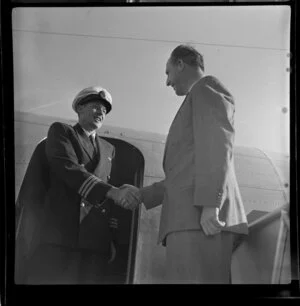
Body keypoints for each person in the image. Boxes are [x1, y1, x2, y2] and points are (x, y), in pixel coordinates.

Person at [122, 45, 249, 283]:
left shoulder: (206, 88)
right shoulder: (197, 96)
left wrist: (211, 204)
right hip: (190, 219)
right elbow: (183, 173)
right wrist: (141, 194)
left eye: (168, 72)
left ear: (181, 64)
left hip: (200, 219)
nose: (167, 82)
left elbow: (216, 145)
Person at [15, 86, 139, 284]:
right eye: (96, 107)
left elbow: (105, 204)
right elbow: (69, 169)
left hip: (95, 243)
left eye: (105, 111)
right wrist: (113, 192)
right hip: (61, 238)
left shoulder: (109, 149)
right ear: (80, 108)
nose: (101, 113)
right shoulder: (62, 132)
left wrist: (110, 239)